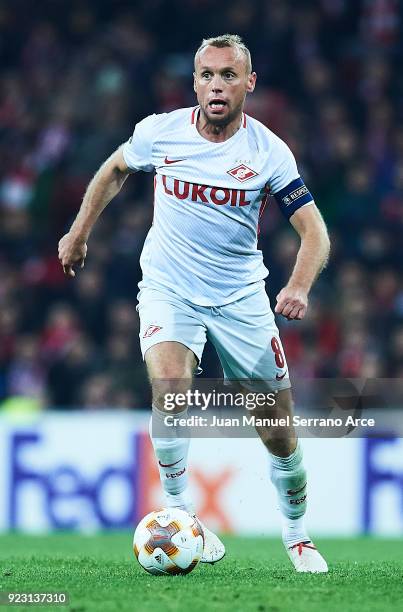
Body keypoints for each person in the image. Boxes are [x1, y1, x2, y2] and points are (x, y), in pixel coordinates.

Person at [58, 34, 330, 572]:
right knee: (170, 389)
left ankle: (297, 535)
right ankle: (184, 518)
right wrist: (79, 232)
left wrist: (297, 286)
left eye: (229, 75)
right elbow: (114, 169)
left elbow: (314, 233)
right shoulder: (160, 133)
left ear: (249, 83)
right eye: (207, 75)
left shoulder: (267, 152)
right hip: (169, 287)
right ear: (195, 82)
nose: (216, 85)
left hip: (239, 297)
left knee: (277, 430)